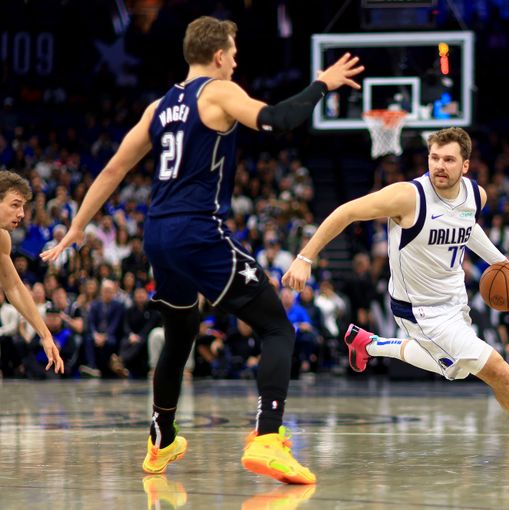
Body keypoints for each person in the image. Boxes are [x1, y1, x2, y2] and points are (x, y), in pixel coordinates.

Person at [42, 16, 363, 484]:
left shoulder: (159, 107)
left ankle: (161, 440)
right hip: (197, 232)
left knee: (180, 333)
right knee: (277, 327)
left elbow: (112, 170)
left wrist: (76, 228)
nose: (236, 61)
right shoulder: (216, 90)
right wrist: (322, 83)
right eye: (233, 53)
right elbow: (277, 120)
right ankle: (268, 439)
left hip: (158, 235)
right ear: (217, 56)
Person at [282, 127, 509, 468]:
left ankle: (369, 345)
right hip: (419, 310)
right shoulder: (408, 197)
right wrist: (305, 258)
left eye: (448, 159)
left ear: (465, 165)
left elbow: (467, 225)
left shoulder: (476, 196)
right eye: (434, 158)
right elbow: (347, 212)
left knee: (457, 371)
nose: (440, 166)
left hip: (454, 299)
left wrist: (500, 261)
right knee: (498, 371)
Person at [0, 171, 63, 375]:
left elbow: (14, 287)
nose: (21, 214)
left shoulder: (3, 239)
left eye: (23, 207)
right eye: (15, 205)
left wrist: (45, 335)